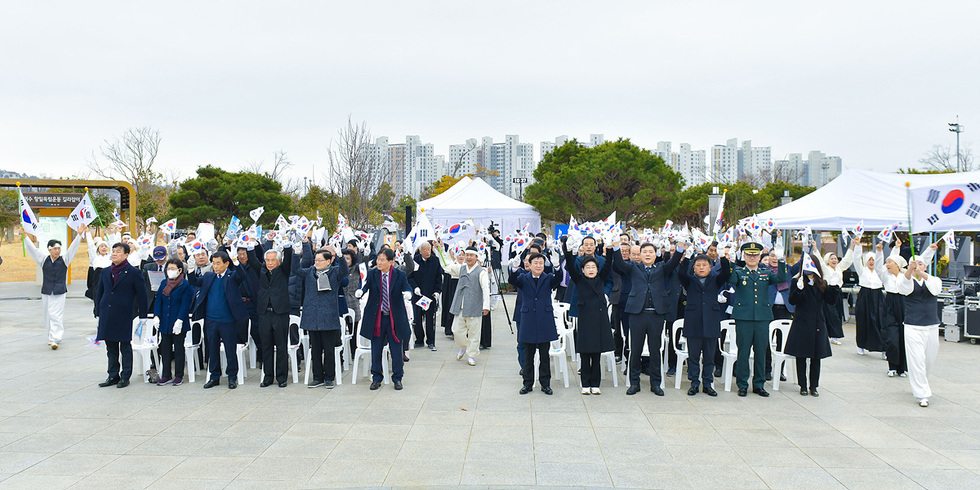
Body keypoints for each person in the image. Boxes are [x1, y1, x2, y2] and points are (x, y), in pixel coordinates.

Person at [612, 238, 684, 396]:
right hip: (637, 315)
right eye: (644, 252)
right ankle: (634, 383)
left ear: (656, 254)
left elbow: (674, 261)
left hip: (656, 315)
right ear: (639, 254)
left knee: (655, 350)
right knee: (635, 350)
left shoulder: (661, 268)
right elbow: (619, 263)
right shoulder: (633, 267)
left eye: (651, 252)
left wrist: (679, 247)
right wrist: (616, 246)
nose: (647, 254)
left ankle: (656, 383)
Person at [729, 241, 786, 397]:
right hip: (744, 318)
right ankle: (742, 384)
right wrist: (731, 262)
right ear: (744, 256)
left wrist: (780, 260)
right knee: (743, 352)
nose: (752, 258)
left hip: (762, 317)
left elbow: (781, 278)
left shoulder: (765, 273)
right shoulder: (740, 272)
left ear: (760, 256)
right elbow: (731, 280)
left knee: (761, 352)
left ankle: (759, 384)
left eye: (755, 255)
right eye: (748, 255)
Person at [561, 236, 614, 394]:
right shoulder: (579, 280)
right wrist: (568, 251)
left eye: (593, 267)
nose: (591, 269)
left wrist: (609, 247)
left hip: (598, 321)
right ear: (583, 270)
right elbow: (570, 267)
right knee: (585, 354)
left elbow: (608, 265)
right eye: (588, 267)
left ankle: (595, 384)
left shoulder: (601, 279)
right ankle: (585, 384)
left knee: (596, 355)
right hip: (584, 320)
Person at [188, 251, 248, 389]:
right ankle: (214, 376)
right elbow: (194, 281)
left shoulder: (231, 276)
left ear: (226, 264)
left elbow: (242, 276)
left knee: (230, 350)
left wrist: (236, 261)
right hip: (211, 320)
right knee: (212, 349)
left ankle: (232, 377)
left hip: (228, 320)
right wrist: (191, 269)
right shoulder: (209, 276)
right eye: (214, 263)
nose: (215, 266)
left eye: (218, 263)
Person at [94, 242, 149, 388]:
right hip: (107, 312)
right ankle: (112, 375)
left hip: (124, 313)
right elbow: (100, 292)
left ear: (126, 254)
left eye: (118, 251)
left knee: (124, 346)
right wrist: (98, 310)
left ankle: (125, 376)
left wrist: (143, 315)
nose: (114, 254)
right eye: (113, 251)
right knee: (110, 346)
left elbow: (142, 295)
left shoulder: (133, 272)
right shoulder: (106, 271)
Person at [356, 248, 412, 390]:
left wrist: (408, 293)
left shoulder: (399, 275)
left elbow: (407, 286)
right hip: (377, 317)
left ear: (391, 261)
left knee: (396, 350)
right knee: (376, 349)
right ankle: (376, 377)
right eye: (378, 259)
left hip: (394, 318)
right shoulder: (373, 274)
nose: (379, 262)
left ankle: (398, 378)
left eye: (382, 260)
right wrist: (360, 292)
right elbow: (364, 286)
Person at [677, 251, 730, 396]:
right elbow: (681, 274)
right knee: (693, 356)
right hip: (693, 323)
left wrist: (724, 257)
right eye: (698, 265)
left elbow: (726, 273)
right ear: (693, 268)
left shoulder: (715, 280)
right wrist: (686, 258)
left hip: (711, 322)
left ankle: (708, 383)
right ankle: (694, 383)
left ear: (710, 267)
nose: (701, 268)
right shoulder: (690, 281)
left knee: (709, 356)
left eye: (704, 265)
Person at [509, 250, 562, 395]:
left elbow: (558, 278)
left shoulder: (548, 278)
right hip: (528, 320)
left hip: (544, 319)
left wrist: (557, 266)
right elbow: (512, 281)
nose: (538, 265)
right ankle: (527, 383)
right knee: (528, 355)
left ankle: (545, 384)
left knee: (545, 355)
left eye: (541, 263)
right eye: (535, 263)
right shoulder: (523, 278)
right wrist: (514, 268)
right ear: (530, 265)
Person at [24, 225, 84, 349]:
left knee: (56, 314)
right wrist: (25, 237)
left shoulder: (64, 260)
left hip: (59, 291)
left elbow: (73, 249)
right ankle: (50, 335)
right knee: (47, 314)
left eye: (59, 248)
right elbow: (32, 250)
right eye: (55, 249)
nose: (57, 251)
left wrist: (79, 235)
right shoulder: (43, 259)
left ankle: (55, 338)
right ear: (49, 250)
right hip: (46, 291)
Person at [784, 255, 836, 396]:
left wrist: (834, 286)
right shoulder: (797, 281)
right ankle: (803, 385)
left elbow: (830, 301)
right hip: (802, 322)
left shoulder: (821, 282)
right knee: (801, 356)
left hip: (817, 322)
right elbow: (792, 300)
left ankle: (814, 386)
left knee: (816, 356)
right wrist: (800, 290)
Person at [298, 247, 348, 388]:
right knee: (316, 349)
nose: (317, 262)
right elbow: (296, 270)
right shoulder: (309, 272)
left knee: (329, 349)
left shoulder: (335, 272)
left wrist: (340, 256)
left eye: (320, 260)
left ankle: (329, 377)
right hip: (313, 316)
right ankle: (317, 377)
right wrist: (295, 254)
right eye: (316, 260)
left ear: (328, 261)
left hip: (329, 316)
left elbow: (345, 271)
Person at [897, 252, 942, 407]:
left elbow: (936, 290)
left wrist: (921, 273)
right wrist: (910, 270)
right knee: (917, 360)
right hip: (913, 327)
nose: (918, 266)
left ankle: (921, 382)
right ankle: (922, 394)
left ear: (926, 265)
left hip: (931, 326)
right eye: (915, 264)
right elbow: (904, 288)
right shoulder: (906, 280)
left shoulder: (934, 280)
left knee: (928, 360)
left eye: (921, 263)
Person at [436, 243, 490, 366]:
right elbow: (446, 266)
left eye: (471, 255)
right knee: (456, 330)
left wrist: (486, 306)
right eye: (467, 255)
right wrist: (440, 251)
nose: (469, 257)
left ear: (476, 257)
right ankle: (464, 346)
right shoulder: (461, 268)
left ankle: (471, 355)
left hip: (474, 307)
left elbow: (486, 288)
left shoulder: (481, 271)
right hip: (460, 306)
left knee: (474, 333)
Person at [255, 245, 295, 388]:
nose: (270, 263)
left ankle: (282, 377)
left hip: (280, 313)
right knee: (266, 346)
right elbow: (253, 259)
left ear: (278, 261)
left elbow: (289, 259)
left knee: (281, 346)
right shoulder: (262, 271)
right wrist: (251, 244)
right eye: (267, 260)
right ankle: (268, 376)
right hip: (265, 313)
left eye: (273, 260)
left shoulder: (283, 271)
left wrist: (287, 247)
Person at [154, 258, 193, 386]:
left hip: (178, 321)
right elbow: (159, 300)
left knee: (178, 349)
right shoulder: (164, 283)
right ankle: (166, 374)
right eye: (168, 269)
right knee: (165, 349)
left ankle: (179, 375)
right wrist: (156, 316)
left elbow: (185, 304)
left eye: (173, 269)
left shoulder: (185, 285)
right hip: (165, 321)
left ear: (179, 270)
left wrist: (180, 320)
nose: (170, 271)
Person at [812, 239, 855, 345]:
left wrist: (852, 246)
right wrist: (815, 248)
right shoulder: (826, 269)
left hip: (838, 292)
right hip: (828, 292)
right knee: (828, 314)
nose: (834, 260)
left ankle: (835, 336)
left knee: (837, 314)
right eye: (832, 259)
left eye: (835, 259)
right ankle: (826, 334)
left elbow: (847, 260)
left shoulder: (839, 268)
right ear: (828, 260)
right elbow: (820, 261)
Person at [852, 241, 887, 357]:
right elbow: (856, 259)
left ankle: (883, 348)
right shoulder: (862, 271)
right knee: (863, 320)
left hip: (877, 295)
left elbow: (881, 262)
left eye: (873, 260)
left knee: (880, 321)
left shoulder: (880, 271)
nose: (871, 262)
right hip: (865, 296)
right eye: (869, 260)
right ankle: (861, 345)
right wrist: (858, 246)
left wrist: (879, 251)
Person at [409, 242, 443, 351]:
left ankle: (431, 341)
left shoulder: (435, 260)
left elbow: (439, 277)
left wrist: (438, 291)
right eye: (425, 250)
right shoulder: (415, 260)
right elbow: (410, 277)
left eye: (429, 249)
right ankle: (419, 339)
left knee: (430, 319)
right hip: (418, 295)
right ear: (420, 251)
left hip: (430, 295)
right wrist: (415, 287)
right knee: (417, 319)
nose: (427, 252)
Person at [84, 230, 111, 302]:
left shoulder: (110, 257)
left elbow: (112, 244)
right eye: (101, 246)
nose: (104, 248)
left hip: (108, 274)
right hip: (98, 275)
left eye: (105, 246)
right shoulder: (95, 256)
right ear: (98, 248)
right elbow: (90, 245)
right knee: (97, 294)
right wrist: (87, 233)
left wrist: (106, 235)